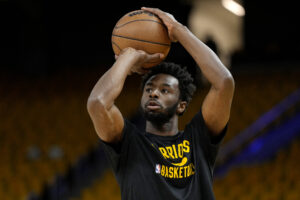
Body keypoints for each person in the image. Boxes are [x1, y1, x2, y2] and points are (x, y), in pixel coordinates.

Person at [87, 7, 234, 200]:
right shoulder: (130, 145)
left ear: (182, 105)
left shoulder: (198, 140)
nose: (154, 93)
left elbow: (224, 83)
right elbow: (98, 103)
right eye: (149, 89)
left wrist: (179, 30)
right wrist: (128, 57)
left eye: (165, 90)